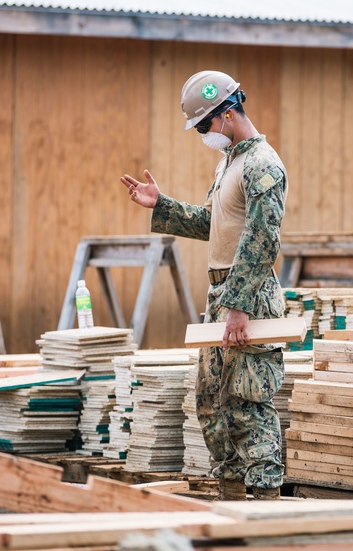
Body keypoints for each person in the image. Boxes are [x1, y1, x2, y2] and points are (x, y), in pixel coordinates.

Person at [120, 70, 287, 501]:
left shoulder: (263, 164)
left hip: (248, 299)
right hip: (223, 297)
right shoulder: (230, 161)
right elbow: (215, 225)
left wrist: (239, 304)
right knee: (213, 405)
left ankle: (266, 506)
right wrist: (163, 205)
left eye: (203, 125)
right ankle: (232, 504)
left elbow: (261, 238)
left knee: (249, 403)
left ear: (227, 113)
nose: (201, 134)